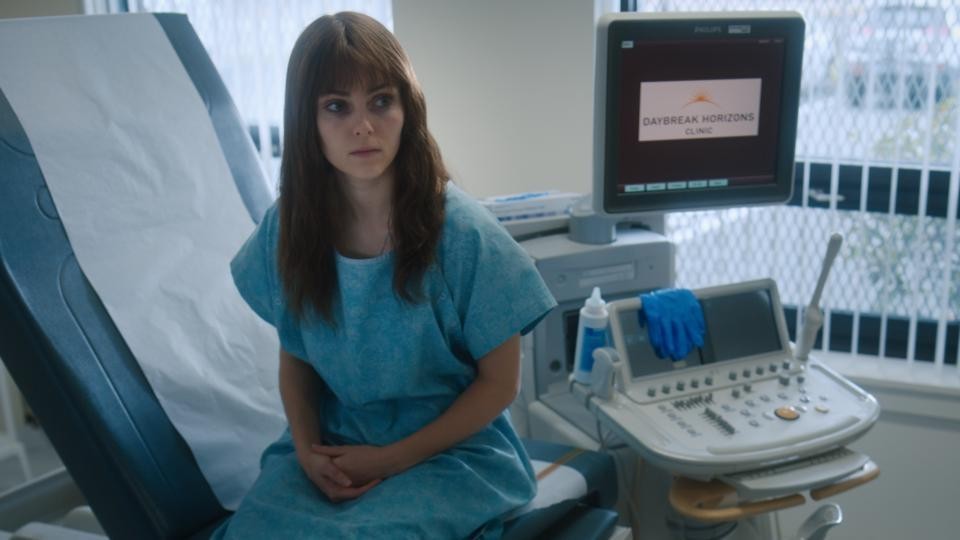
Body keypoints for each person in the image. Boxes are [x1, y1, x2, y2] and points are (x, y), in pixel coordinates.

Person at [213, 11, 556, 539]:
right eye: (336, 106)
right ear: (306, 121)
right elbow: (296, 355)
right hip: (337, 441)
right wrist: (307, 452)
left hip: (452, 453)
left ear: (407, 108)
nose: (363, 126)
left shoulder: (464, 236)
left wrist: (390, 459)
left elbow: (500, 384)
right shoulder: (289, 229)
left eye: (380, 101)